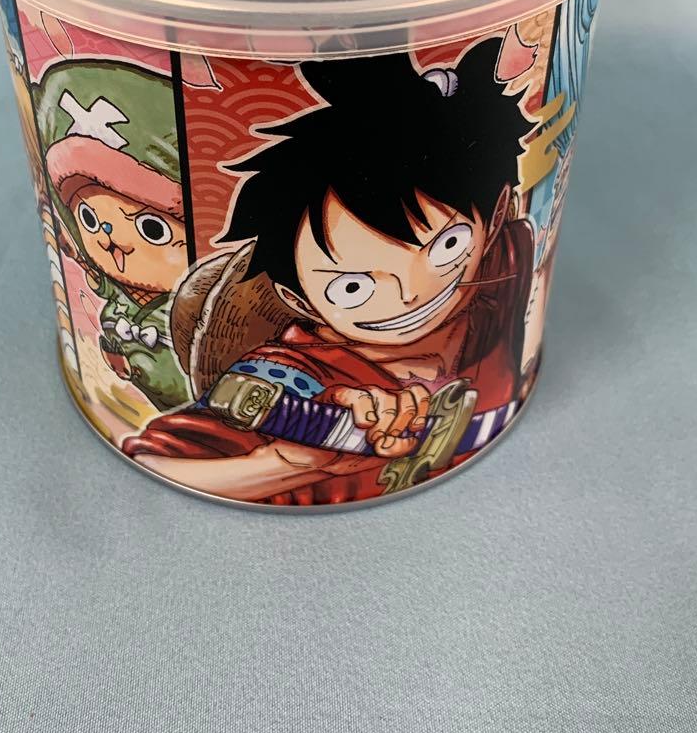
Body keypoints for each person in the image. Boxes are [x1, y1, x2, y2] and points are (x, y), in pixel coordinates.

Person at [123, 38, 535, 504]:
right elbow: (153, 459)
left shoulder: (497, 275)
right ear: (297, 298)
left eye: (446, 246)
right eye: (353, 287)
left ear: (493, 220)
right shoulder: (291, 382)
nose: (410, 294)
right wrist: (287, 463)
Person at [36, 60, 193, 412]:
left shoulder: (189, 309)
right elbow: (101, 283)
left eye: (152, 228)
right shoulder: (121, 293)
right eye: (89, 219)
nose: (110, 239)